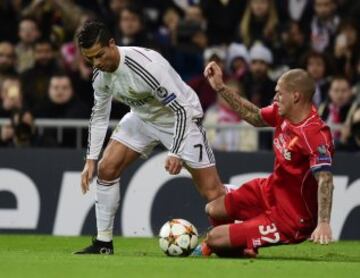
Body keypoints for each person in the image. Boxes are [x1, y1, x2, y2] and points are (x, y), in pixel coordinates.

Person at [74, 21, 227, 255]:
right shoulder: (100, 75)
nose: (97, 64)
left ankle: (231, 239)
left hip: (180, 119)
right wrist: (91, 159)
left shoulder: (146, 67)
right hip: (143, 118)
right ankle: (103, 244)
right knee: (106, 168)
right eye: (90, 59)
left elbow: (182, 110)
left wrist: (175, 151)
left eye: (99, 55)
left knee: (212, 193)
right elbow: (99, 115)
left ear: (112, 44)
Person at [193, 62, 335, 258]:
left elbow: (325, 179)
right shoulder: (282, 113)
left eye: (279, 93)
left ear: (296, 96)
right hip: (269, 192)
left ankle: (229, 243)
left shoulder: (315, 133)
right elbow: (254, 115)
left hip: (291, 217)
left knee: (214, 238)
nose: (275, 97)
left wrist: (324, 223)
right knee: (213, 208)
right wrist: (220, 87)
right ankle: (240, 246)